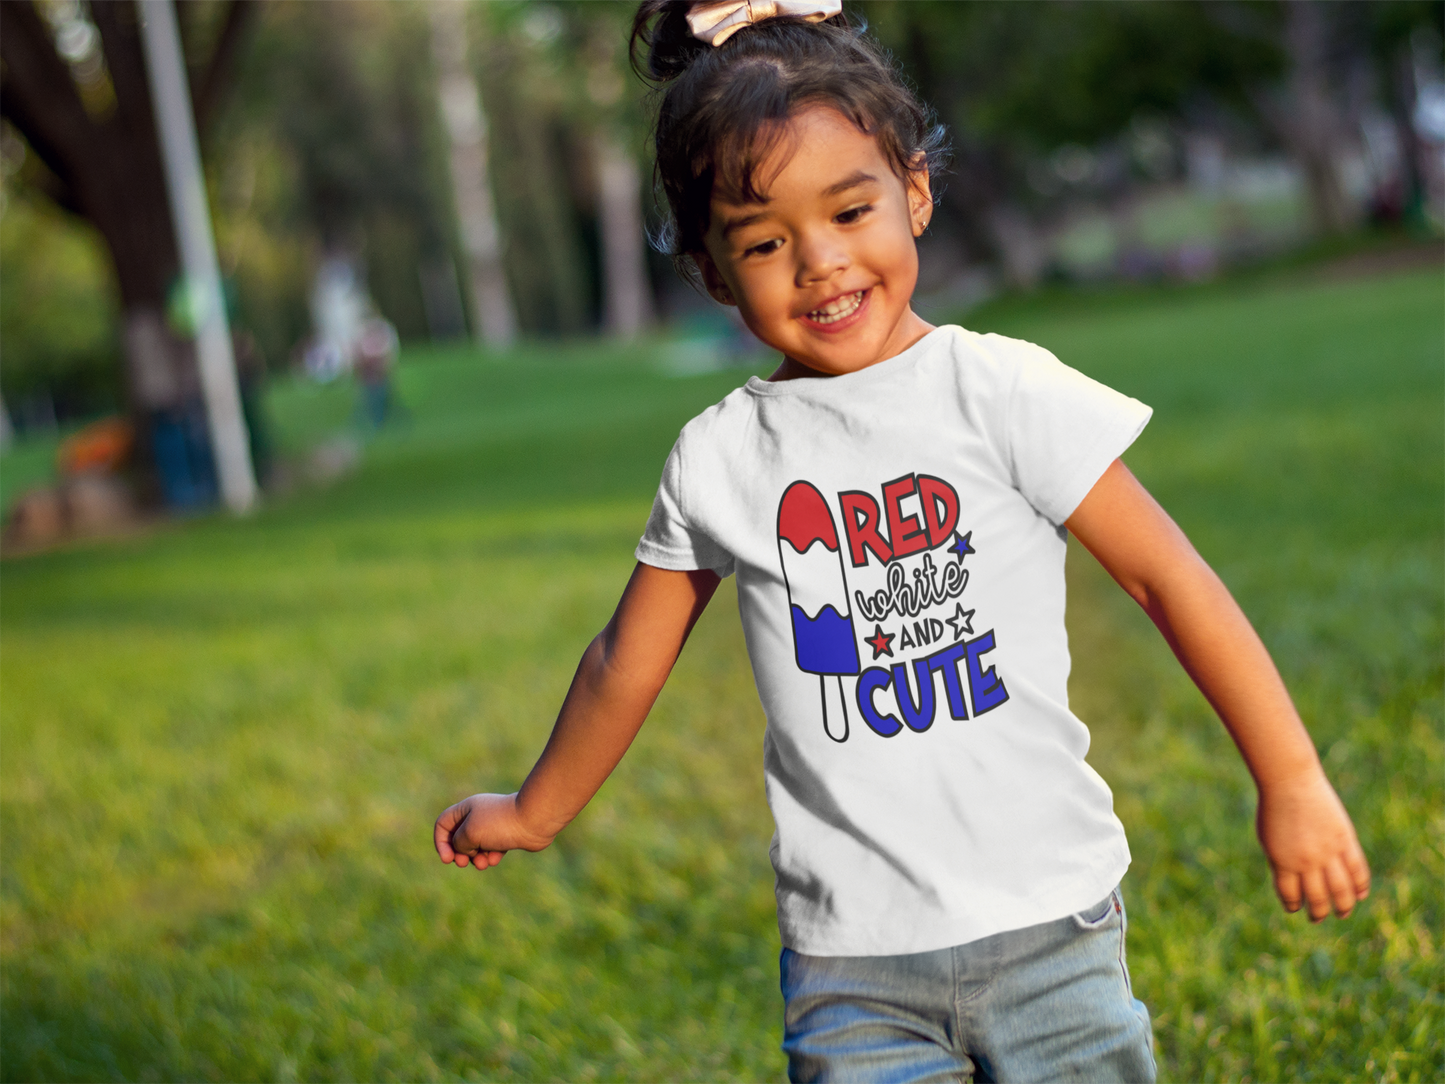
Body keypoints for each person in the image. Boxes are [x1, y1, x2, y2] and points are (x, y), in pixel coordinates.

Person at [433, 4, 1371, 1080]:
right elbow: (622, 659)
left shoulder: (997, 389)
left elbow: (1166, 578)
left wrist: (1289, 775)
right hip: (851, 969)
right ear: (709, 272)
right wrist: (534, 809)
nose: (819, 264)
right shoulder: (721, 456)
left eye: (848, 209)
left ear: (913, 191)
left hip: (1050, 926)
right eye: (763, 241)